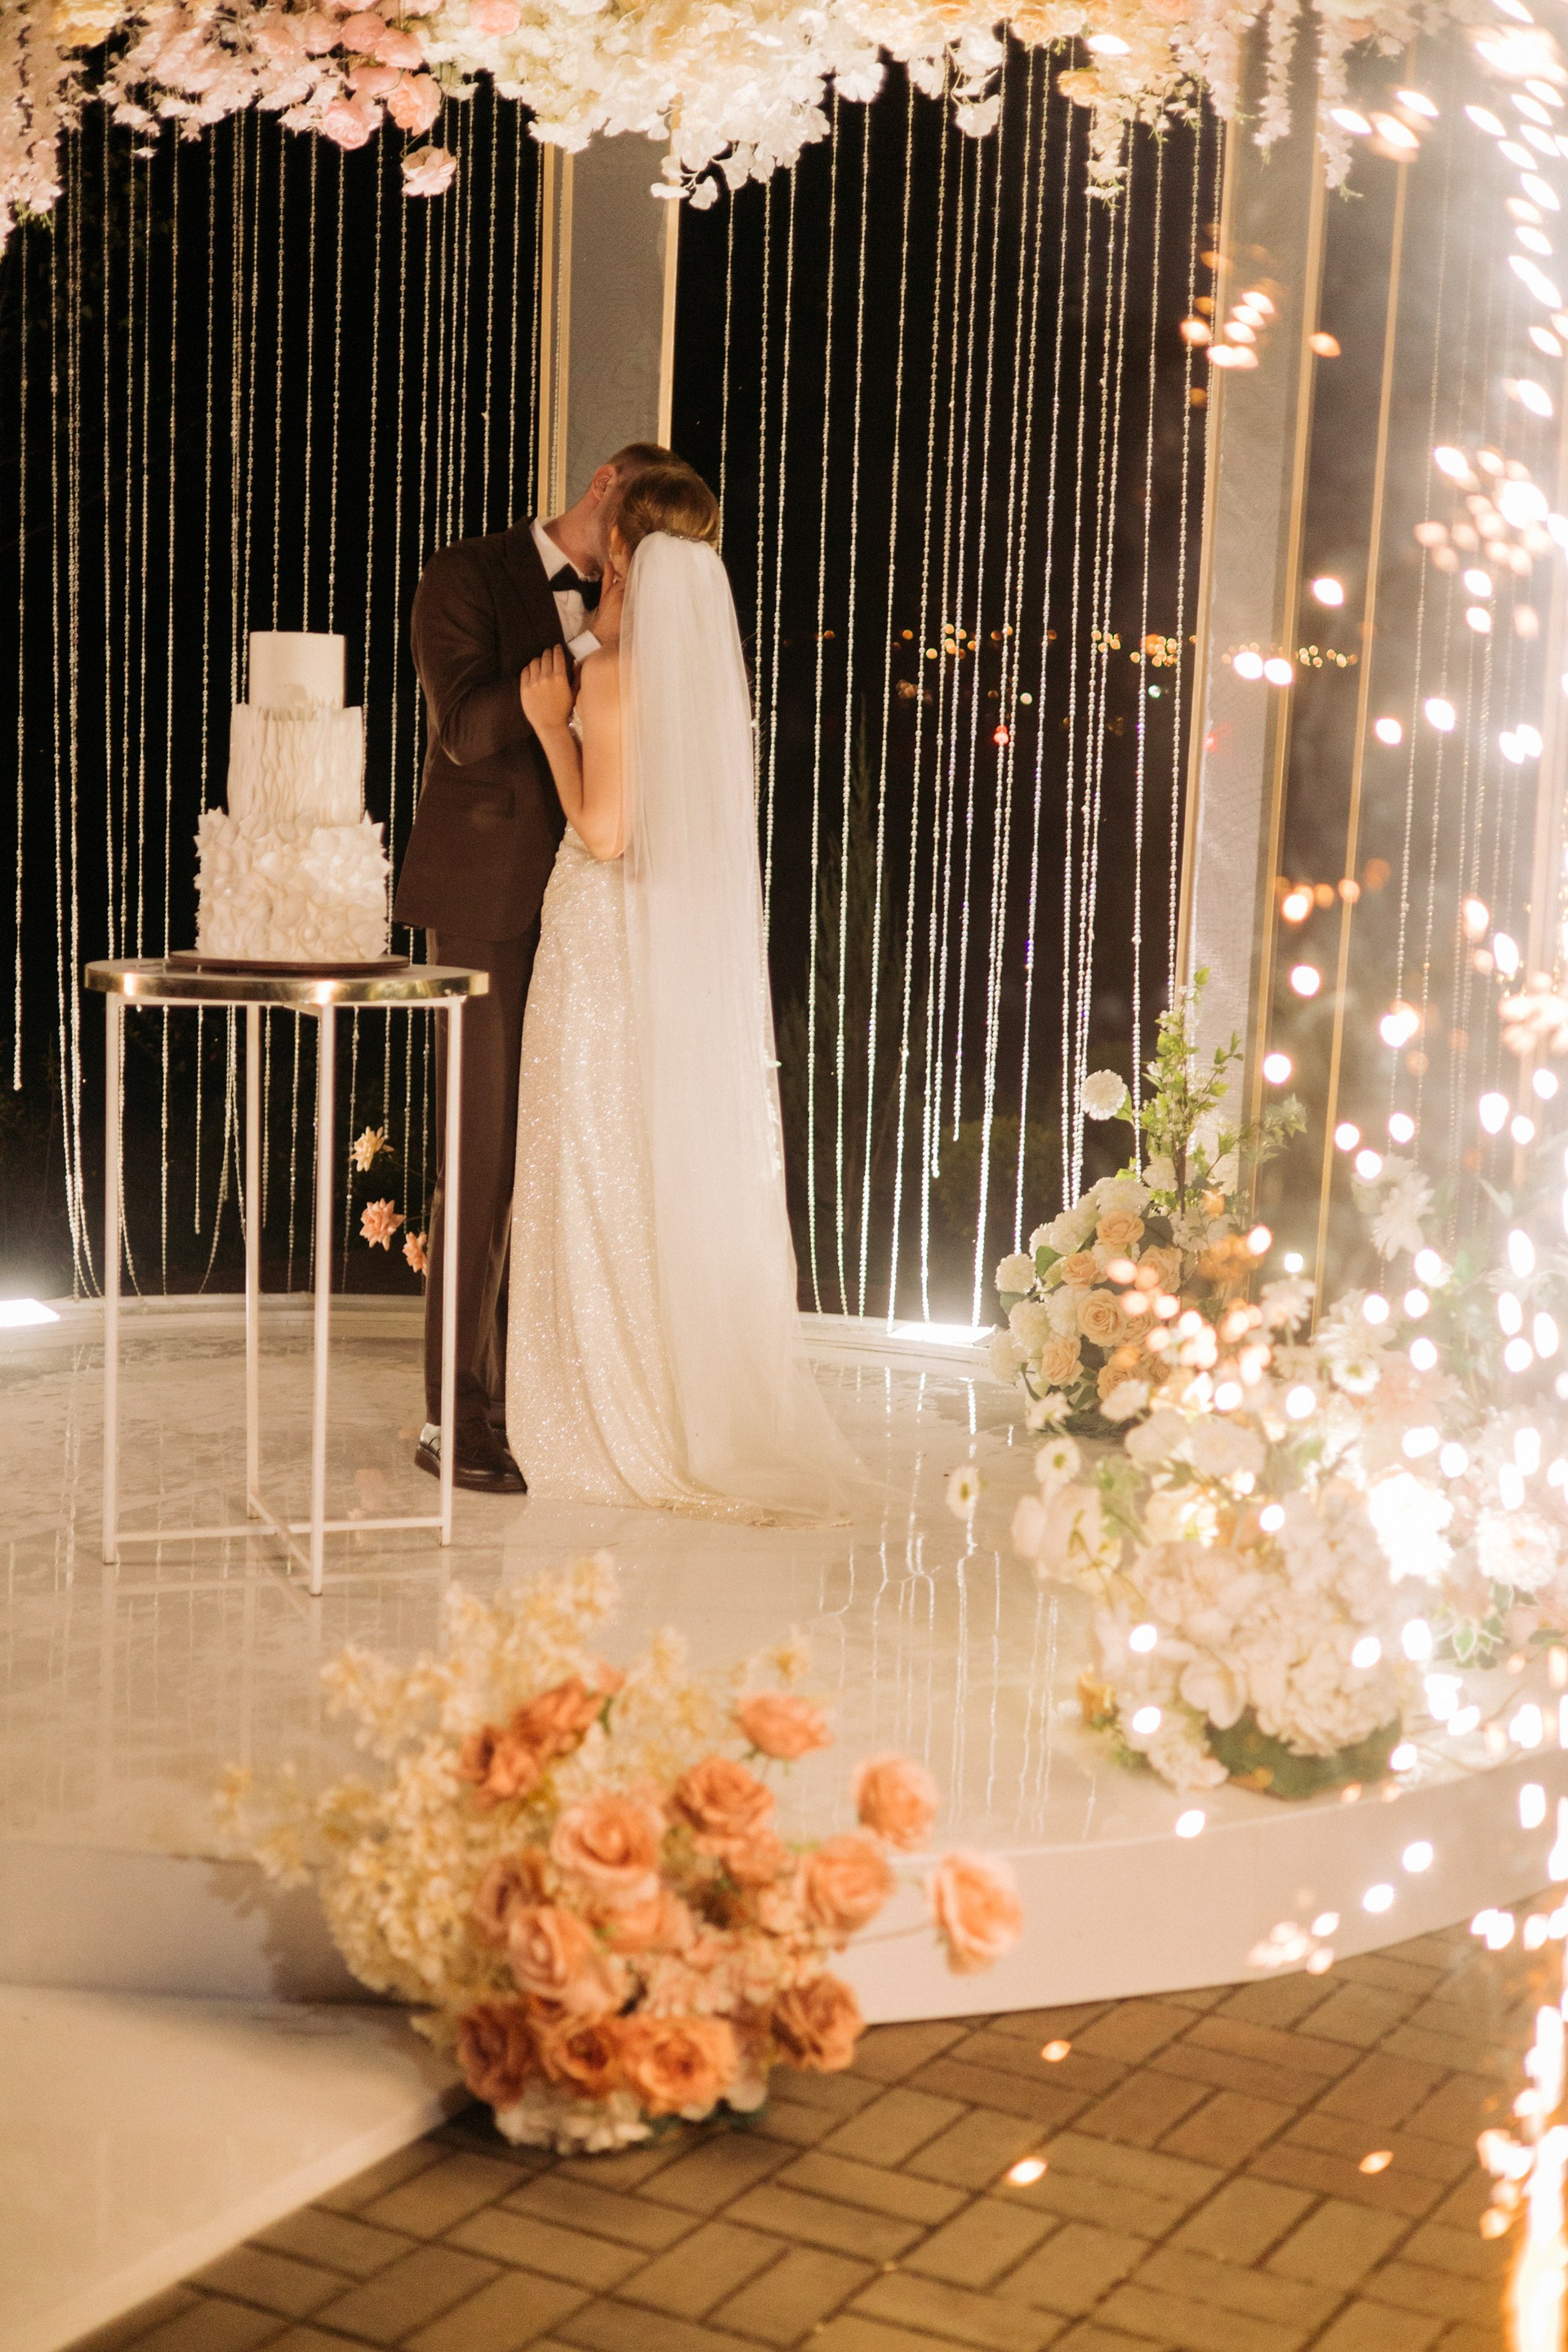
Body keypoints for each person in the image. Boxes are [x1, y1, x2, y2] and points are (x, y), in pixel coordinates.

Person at [506, 461, 862, 1521]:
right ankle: (669, 1386)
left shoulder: (615, 674)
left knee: (587, 1152)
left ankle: (603, 1405)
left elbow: (605, 832)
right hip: (646, 940)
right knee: (633, 1155)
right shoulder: (680, 671)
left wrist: (550, 726)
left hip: (595, 936)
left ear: (622, 548)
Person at [394, 441, 670, 1493]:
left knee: (569, 1153)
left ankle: (543, 1393)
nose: (635, 559)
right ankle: (454, 1415)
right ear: (603, 487)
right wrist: (588, 639)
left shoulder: (640, 604)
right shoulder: (465, 573)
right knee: (483, 1154)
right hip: (489, 908)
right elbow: (464, 730)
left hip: (594, 909)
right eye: (635, 532)